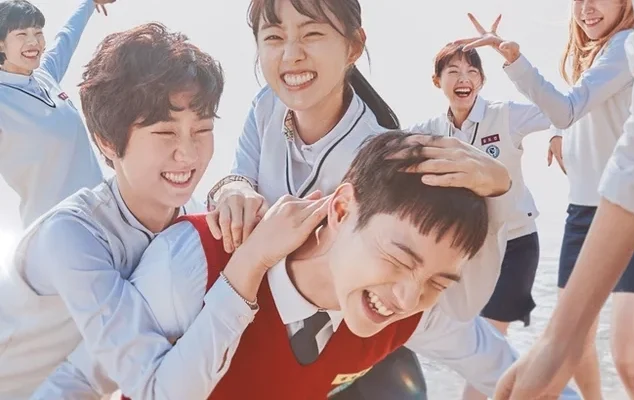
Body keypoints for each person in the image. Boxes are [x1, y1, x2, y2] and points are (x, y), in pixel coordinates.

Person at [40, 132, 580, 400]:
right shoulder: (192, 263)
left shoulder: (414, 311)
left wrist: (503, 185)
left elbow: (514, 375)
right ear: (341, 210)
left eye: (437, 281)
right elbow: (83, 375)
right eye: (398, 258)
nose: (406, 297)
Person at [204, 0, 512, 398]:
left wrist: (499, 183)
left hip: (365, 328)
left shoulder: (385, 155)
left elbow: (453, 273)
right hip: (277, 325)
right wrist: (232, 189)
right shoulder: (267, 105)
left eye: (312, 34)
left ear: (353, 46)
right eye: (275, 37)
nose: (291, 54)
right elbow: (240, 173)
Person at [0, 22, 224, 399]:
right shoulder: (72, 235)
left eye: (201, 130)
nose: (188, 154)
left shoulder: (194, 217)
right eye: (165, 133)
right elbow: (155, 387)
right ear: (107, 141)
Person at [494, 0, 634, 399]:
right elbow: (582, 111)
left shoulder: (625, 45)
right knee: (580, 351)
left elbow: (570, 108)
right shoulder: (603, 51)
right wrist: (560, 134)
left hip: (632, 213)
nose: (586, 8)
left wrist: (517, 63)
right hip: (584, 213)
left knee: (629, 360)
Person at [408, 40, 553, 400]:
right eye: (453, 71)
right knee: (447, 333)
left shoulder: (506, 115)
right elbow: (383, 149)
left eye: (472, 71)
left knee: (489, 342)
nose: (464, 78)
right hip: (464, 251)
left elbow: (561, 110)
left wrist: (559, 134)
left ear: (482, 81)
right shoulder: (428, 131)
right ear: (437, 80)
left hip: (515, 244)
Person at [0, 0, 112, 228]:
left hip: (100, 213)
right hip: (54, 228)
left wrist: (90, 3)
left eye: (38, 32)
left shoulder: (45, 75)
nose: (33, 42)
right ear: (1, 44)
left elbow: (66, 37)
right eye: (21, 34)